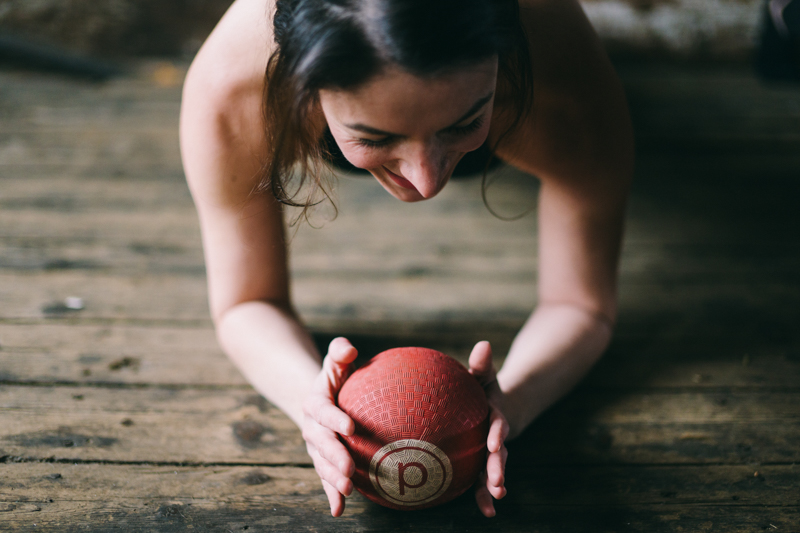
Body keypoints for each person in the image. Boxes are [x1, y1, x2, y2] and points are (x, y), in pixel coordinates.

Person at [179, 0, 633, 518]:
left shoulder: (562, 77)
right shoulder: (233, 90)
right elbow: (245, 302)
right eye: (374, 137)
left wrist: (515, 401)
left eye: (464, 123)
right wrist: (316, 407)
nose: (426, 181)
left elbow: (582, 304)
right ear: (301, 88)